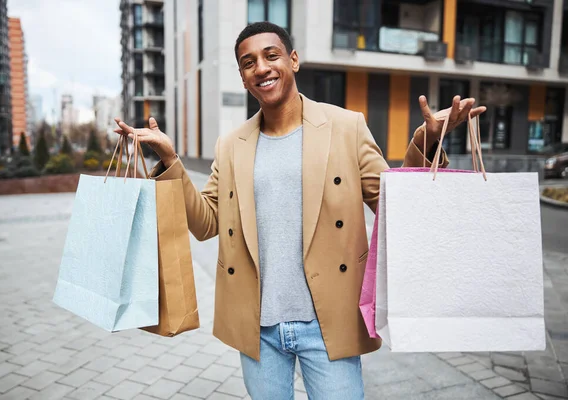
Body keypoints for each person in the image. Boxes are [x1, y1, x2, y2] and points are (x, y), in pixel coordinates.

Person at [114, 21, 486, 400]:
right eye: (248, 63)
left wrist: (426, 140)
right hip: (258, 327)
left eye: (271, 55)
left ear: (293, 60)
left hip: (328, 322)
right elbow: (206, 223)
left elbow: (394, 204)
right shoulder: (231, 145)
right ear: (243, 78)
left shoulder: (346, 126)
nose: (261, 67)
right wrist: (171, 159)